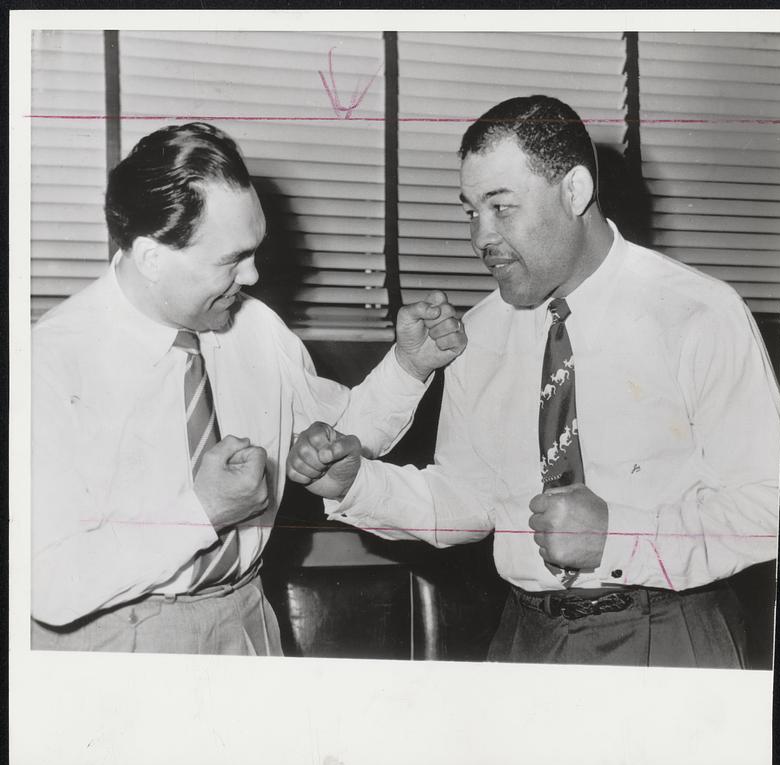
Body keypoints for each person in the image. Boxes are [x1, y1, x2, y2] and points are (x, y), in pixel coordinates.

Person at [287, 95, 780, 668]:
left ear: (574, 192)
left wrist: (618, 540)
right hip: (525, 640)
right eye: (471, 211)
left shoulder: (699, 313)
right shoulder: (481, 330)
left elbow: (770, 508)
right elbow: (473, 501)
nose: (480, 238)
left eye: (502, 207)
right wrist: (359, 484)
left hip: (668, 635)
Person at [31, 122, 466, 655]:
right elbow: (48, 584)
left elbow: (335, 444)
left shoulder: (254, 327)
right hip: (118, 639)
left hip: (246, 619)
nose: (255, 276)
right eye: (232, 259)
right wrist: (203, 512)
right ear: (152, 257)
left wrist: (409, 365)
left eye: (255, 250)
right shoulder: (50, 362)